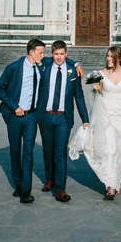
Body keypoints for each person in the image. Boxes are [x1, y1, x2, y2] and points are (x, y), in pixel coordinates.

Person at [0, 38, 83, 203]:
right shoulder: (14, 67)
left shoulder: (41, 66)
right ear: (31, 52)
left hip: (32, 116)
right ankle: (19, 184)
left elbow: (59, 57)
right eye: (40, 53)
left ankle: (26, 191)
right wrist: (14, 107)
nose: (43, 56)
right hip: (15, 115)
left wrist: (76, 64)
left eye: (43, 53)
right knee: (15, 151)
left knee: (28, 152)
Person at [73, 45, 121, 200]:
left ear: (120, 58)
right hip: (106, 115)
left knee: (120, 150)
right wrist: (96, 89)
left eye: (112, 57)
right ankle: (110, 186)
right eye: (107, 56)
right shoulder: (100, 74)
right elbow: (95, 96)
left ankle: (115, 184)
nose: (108, 59)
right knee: (109, 149)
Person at [37, 41, 89, 202]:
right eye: (56, 54)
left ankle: (60, 189)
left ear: (66, 54)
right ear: (51, 54)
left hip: (63, 118)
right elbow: (33, 58)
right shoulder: (45, 65)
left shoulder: (72, 72)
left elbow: (78, 96)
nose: (59, 57)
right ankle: (49, 179)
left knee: (60, 153)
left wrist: (85, 119)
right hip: (45, 116)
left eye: (62, 54)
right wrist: (76, 61)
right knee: (47, 151)